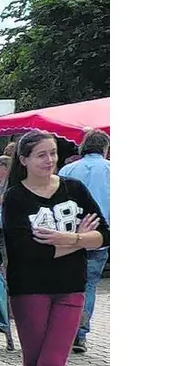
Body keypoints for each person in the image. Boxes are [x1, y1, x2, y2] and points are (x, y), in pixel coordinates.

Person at [2, 129, 109, 366]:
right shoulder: (16, 197)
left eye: (52, 153)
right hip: (30, 290)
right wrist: (79, 241)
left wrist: (68, 238)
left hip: (71, 289)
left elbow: (104, 234)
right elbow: (25, 252)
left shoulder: (74, 189)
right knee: (35, 364)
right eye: (41, 155)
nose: (49, 160)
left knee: (52, 365)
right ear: (24, 160)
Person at [58, 130, 111, 354]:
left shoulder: (68, 170)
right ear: (105, 148)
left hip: (69, 237)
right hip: (100, 237)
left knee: (67, 283)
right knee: (89, 284)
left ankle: (64, 330)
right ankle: (80, 333)